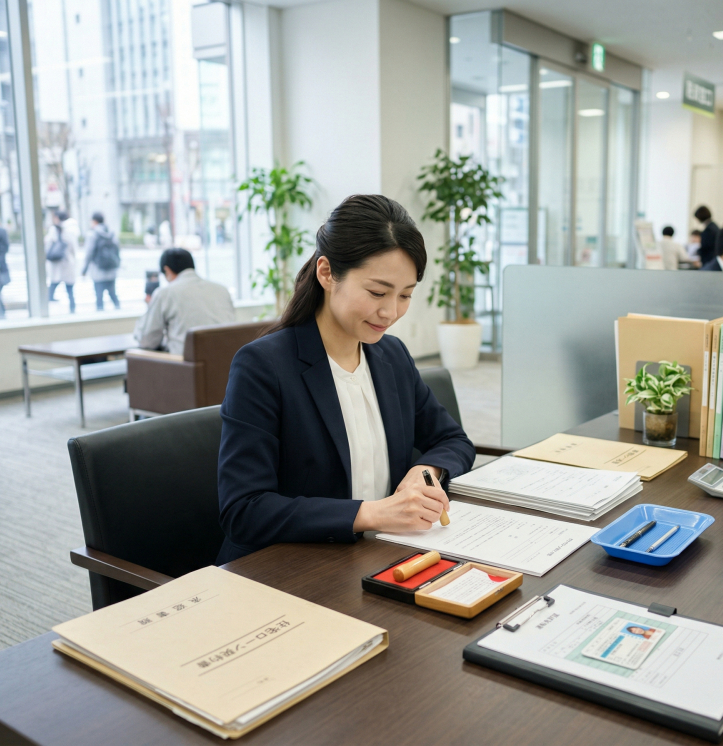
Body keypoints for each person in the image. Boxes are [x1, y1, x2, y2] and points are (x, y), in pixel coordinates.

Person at [215, 194, 476, 564]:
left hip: (379, 556)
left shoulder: (392, 357)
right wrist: (371, 513)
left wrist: (425, 471)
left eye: (405, 296)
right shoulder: (263, 366)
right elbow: (244, 510)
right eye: (377, 292)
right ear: (326, 273)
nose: (390, 312)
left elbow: (453, 439)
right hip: (291, 570)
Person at [133, 248, 236, 355]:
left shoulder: (165, 293)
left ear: (167, 270)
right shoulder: (221, 289)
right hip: (226, 362)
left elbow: (147, 341)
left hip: (187, 367)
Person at [81, 212, 120, 310]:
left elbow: (88, 253)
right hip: (112, 269)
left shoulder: (92, 234)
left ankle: (100, 314)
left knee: (99, 296)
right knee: (112, 293)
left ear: (94, 221)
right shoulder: (111, 233)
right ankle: (118, 310)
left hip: (98, 271)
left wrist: (84, 270)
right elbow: (118, 250)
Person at [47, 210, 79, 313]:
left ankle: (46, 308)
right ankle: (72, 309)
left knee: (53, 284)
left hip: (56, 262)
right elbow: (74, 248)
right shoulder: (71, 229)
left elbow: (47, 245)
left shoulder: (54, 230)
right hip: (68, 262)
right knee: (70, 289)